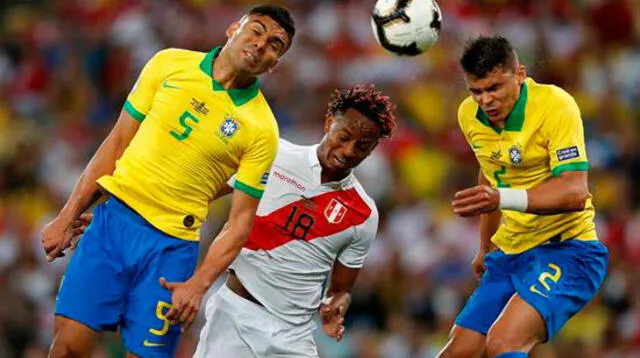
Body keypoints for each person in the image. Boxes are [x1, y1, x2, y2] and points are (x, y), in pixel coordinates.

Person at [40, 5, 295, 357]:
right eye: (256, 30)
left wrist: (199, 284)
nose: (261, 44)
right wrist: (67, 215)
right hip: (112, 225)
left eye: (274, 44)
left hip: (171, 249)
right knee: (67, 348)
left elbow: (240, 221)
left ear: (274, 64)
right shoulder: (169, 63)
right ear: (233, 28)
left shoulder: (262, 128)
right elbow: (116, 144)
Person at [192, 84, 396, 357]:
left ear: (372, 151)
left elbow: (342, 289)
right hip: (235, 314)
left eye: (362, 146)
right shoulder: (275, 154)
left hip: (294, 336)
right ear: (328, 123)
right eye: (344, 137)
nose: (348, 151)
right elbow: (205, 192)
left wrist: (335, 306)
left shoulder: (364, 214)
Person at [436, 35, 609, 358]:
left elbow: (575, 191)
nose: (485, 100)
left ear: (520, 75)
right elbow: (490, 173)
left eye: (494, 88)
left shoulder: (555, 105)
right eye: (476, 91)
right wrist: (485, 245)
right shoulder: (468, 116)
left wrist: (502, 199)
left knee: (504, 343)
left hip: (569, 249)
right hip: (511, 251)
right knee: (456, 354)